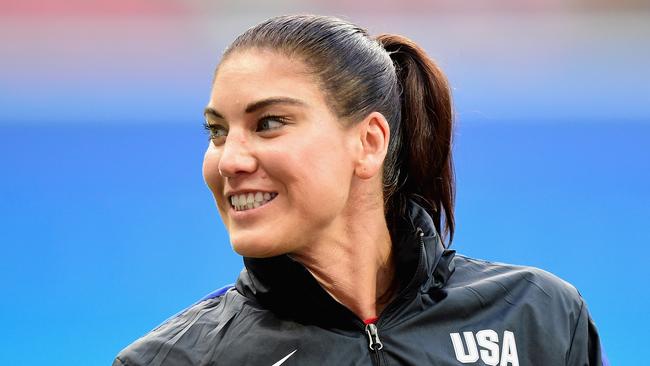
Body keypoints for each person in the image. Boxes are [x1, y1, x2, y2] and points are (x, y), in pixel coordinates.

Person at [114, 15, 606, 365]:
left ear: (369, 143)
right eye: (217, 132)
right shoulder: (174, 359)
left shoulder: (538, 316)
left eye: (268, 123)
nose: (230, 160)